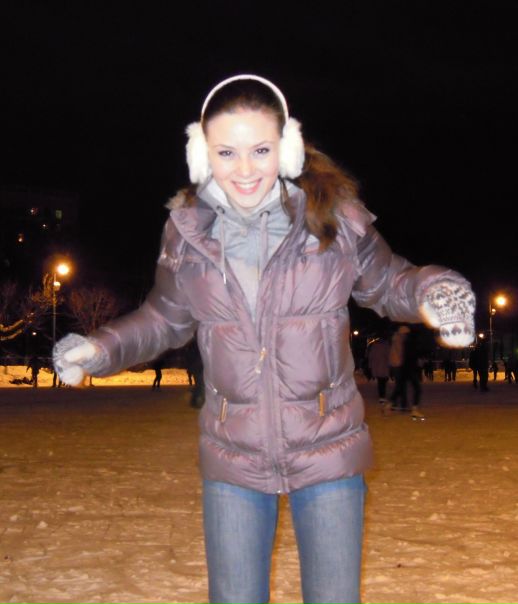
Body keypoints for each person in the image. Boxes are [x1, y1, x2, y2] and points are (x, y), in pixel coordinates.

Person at [52, 74, 475, 604]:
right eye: (227, 152)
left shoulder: (333, 219)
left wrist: (435, 289)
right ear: (202, 155)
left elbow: (390, 281)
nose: (245, 169)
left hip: (328, 448)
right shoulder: (187, 233)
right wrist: (101, 349)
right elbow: (164, 318)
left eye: (260, 149)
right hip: (233, 455)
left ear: (287, 147)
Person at [367, 334, 390, 409]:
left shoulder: (374, 346)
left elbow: (371, 356)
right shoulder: (386, 346)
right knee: (383, 381)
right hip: (384, 366)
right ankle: (382, 396)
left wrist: (370, 366)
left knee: (380, 381)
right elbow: (388, 356)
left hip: (377, 366)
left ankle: (381, 396)